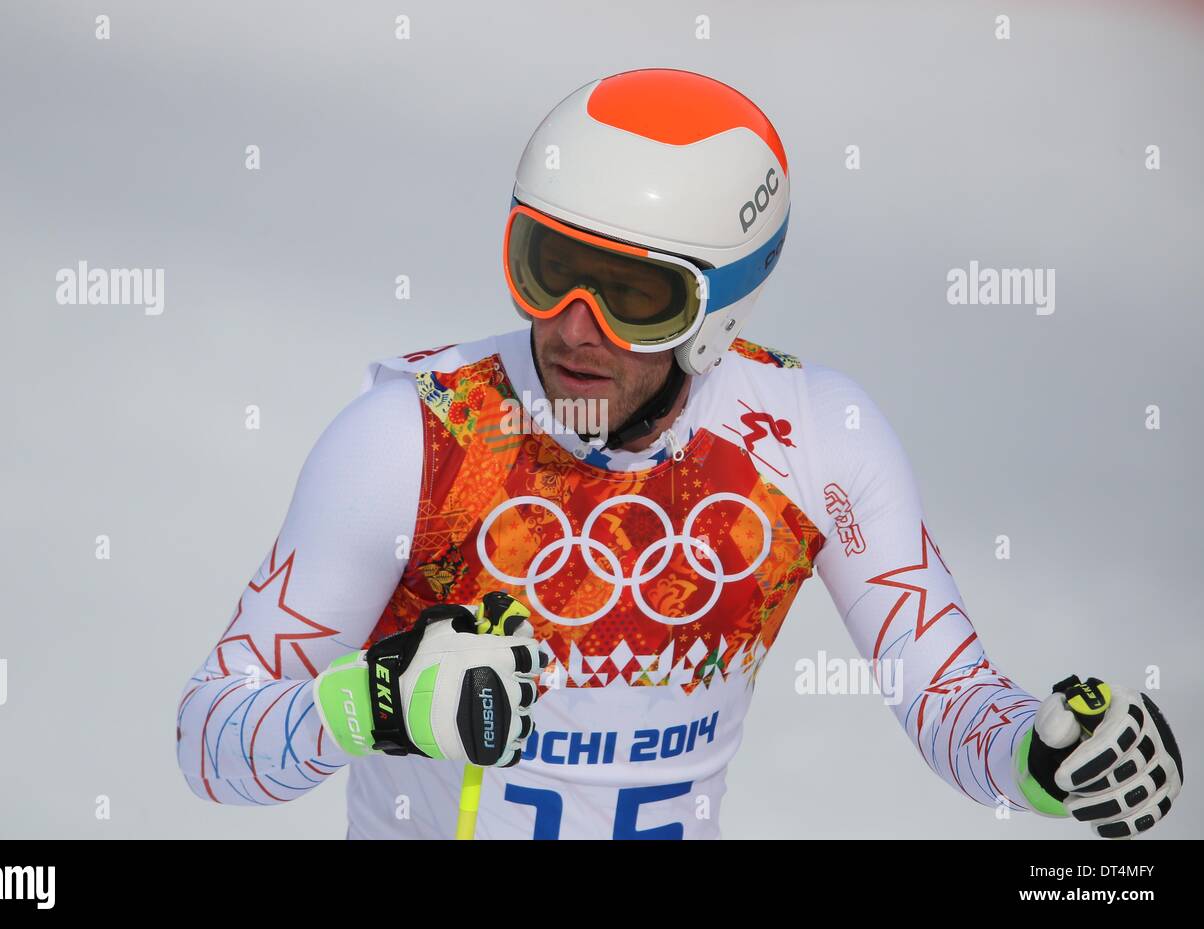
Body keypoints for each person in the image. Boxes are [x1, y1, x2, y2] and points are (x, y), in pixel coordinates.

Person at [176, 68, 1183, 839]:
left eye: (635, 296)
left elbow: (950, 696)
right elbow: (212, 741)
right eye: (552, 269)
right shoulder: (413, 439)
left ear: (718, 312)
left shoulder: (808, 440)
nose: (576, 327)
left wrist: (1042, 756)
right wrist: (374, 703)